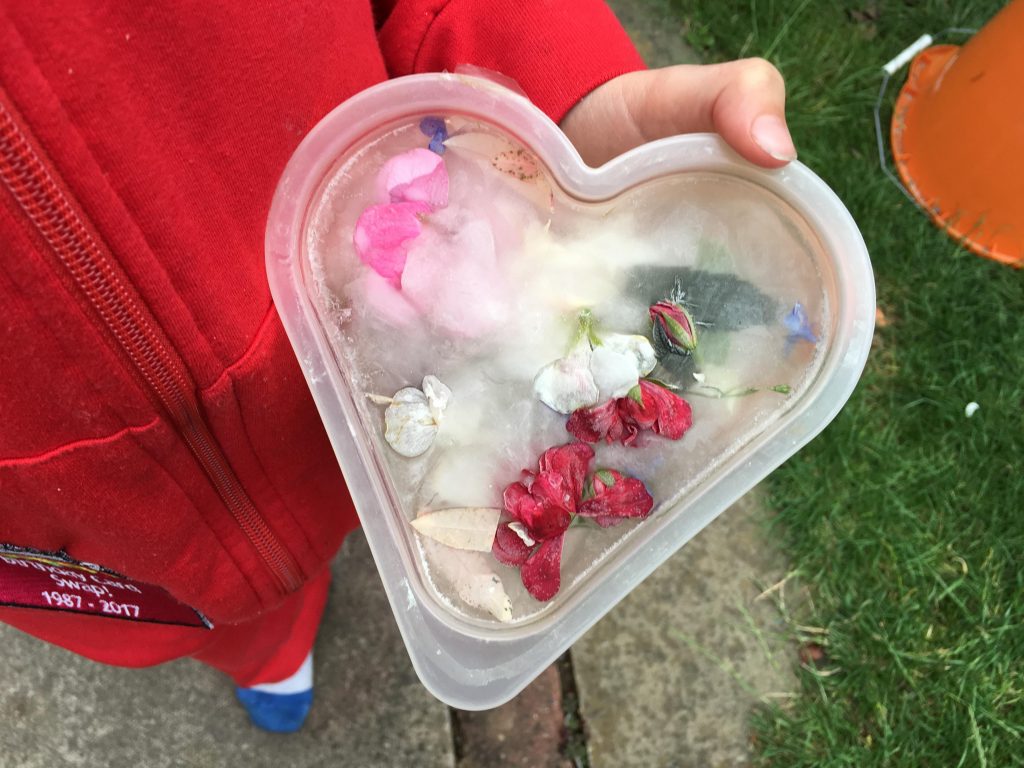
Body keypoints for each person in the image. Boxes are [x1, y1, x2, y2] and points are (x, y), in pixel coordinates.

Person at [0, 0, 794, 733]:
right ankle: (270, 657)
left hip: (344, 360)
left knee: (360, 502)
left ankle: (281, 624)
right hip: (84, 531)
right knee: (219, 620)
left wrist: (551, 94)